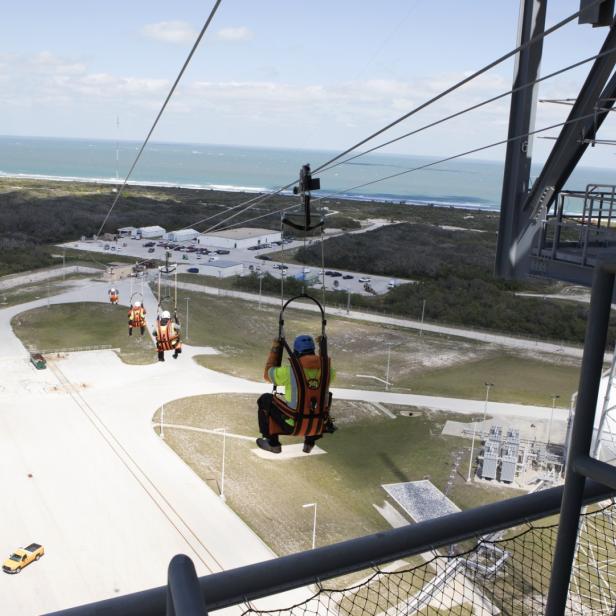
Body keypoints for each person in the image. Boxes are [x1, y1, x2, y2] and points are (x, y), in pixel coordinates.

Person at [256, 334, 335, 454]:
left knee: (265, 399)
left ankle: (273, 443)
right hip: (317, 425)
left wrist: (275, 349)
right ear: (313, 351)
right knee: (317, 400)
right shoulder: (328, 372)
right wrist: (322, 350)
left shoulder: (289, 372)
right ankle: (309, 442)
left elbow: (268, 374)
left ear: (296, 352)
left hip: (292, 424)